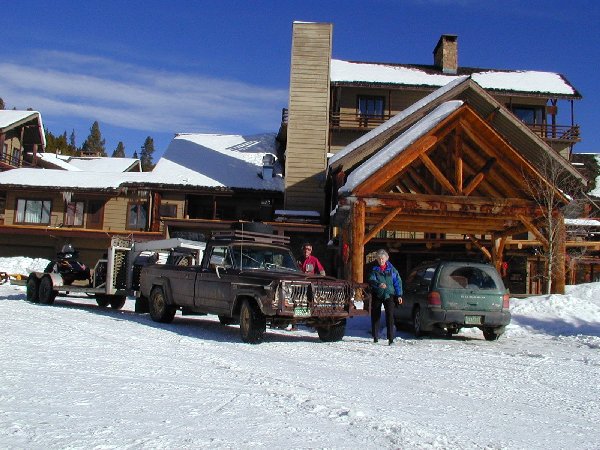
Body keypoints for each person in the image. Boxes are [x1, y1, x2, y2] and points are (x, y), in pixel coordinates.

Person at [368, 249, 403, 345]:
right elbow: (371, 280)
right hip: (377, 294)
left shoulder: (392, 270)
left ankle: (391, 339)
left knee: (390, 316)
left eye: (382, 259)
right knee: (376, 315)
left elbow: (397, 282)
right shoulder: (374, 269)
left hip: (389, 294)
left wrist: (399, 295)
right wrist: (378, 284)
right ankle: (375, 336)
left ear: (386, 259)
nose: (381, 261)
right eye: (379, 259)